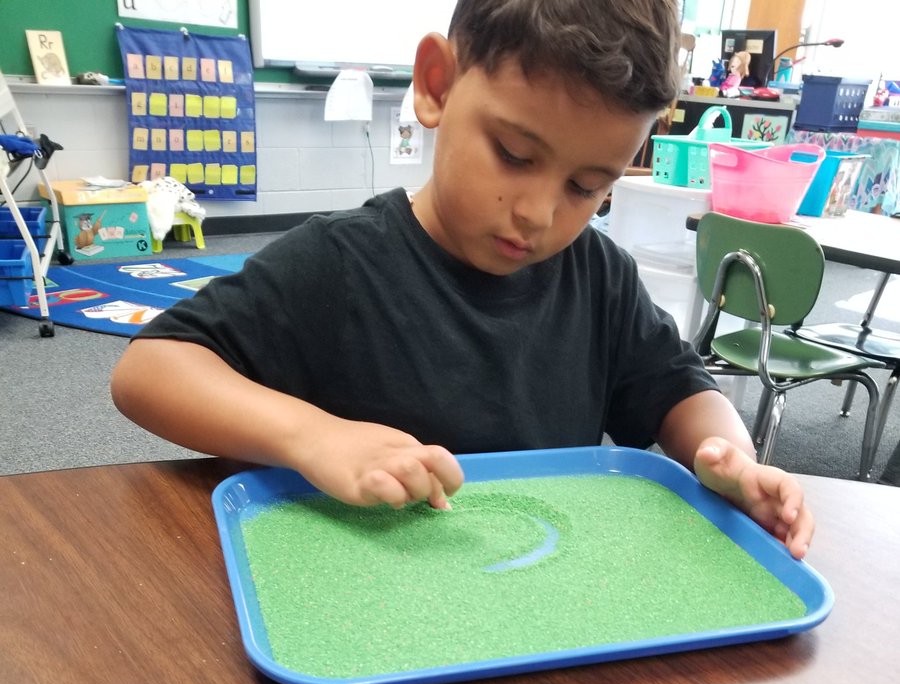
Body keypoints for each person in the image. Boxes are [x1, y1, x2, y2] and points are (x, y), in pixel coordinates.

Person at [111, 0, 814, 558]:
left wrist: (730, 458)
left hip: (541, 609)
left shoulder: (598, 276)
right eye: (513, 154)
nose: (538, 213)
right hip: (374, 603)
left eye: (586, 187)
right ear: (437, 85)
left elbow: (677, 387)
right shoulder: (338, 263)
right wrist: (315, 437)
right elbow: (149, 372)